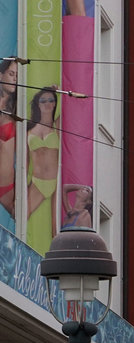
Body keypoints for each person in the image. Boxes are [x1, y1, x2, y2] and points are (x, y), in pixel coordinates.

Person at [26, 86, 59, 220]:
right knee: (21, 216)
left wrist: (60, 91)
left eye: (51, 100)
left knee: (55, 228)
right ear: (37, 104)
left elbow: (74, 105)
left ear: (55, 103)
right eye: (43, 101)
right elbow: (26, 162)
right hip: (37, 182)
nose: (47, 104)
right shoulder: (28, 130)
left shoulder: (58, 126)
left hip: (55, 181)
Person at [0, 58, 18, 221]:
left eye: (17, 76)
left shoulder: (17, 109)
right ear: (1, 75)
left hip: (6, 185)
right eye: (11, 74)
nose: (15, 79)